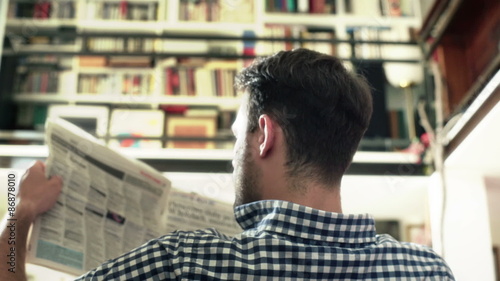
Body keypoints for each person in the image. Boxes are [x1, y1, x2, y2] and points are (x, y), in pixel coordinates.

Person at [0, 49, 455, 280]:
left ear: (265, 135)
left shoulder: (184, 263)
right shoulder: (428, 272)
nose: (232, 154)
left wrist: (17, 214)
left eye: (237, 137)